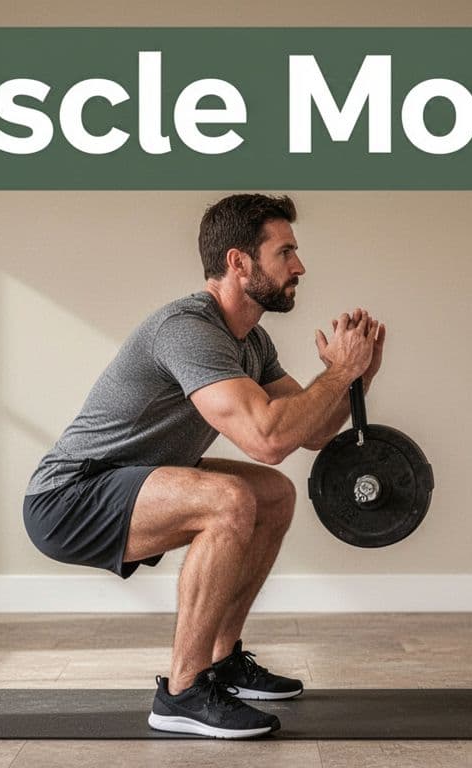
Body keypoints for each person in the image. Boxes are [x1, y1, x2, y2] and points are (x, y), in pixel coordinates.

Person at [23, 193, 386, 738]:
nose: (299, 266)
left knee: (273, 494)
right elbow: (266, 437)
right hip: (70, 496)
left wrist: (355, 378)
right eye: (285, 252)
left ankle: (221, 662)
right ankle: (182, 692)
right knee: (229, 500)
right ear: (239, 262)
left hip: (134, 482)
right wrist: (337, 377)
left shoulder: (251, 341)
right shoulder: (188, 328)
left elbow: (309, 434)